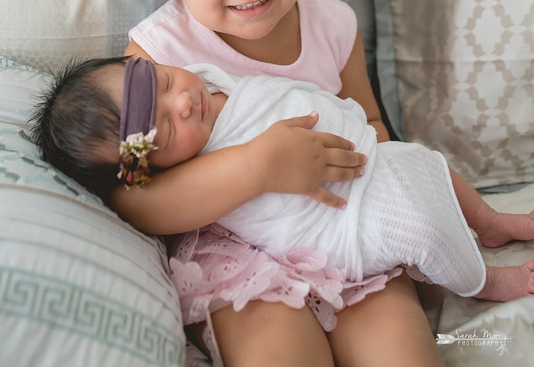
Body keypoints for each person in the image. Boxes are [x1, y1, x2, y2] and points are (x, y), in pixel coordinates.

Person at [103, 0, 448, 367]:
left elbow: (373, 125)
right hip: (239, 248)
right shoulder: (157, 56)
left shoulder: (333, 24)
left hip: (347, 224)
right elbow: (134, 195)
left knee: (402, 352)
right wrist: (256, 169)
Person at [32, 54, 534, 310]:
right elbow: (144, 203)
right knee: (421, 227)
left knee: (431, 165)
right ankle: (482, 282)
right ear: (151, 166)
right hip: (345, 223)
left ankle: (491, 223)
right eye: (164, 128)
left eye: (164, 82)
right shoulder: (189, 177)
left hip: (374, 162)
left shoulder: (203, 81)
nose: (183, 102)